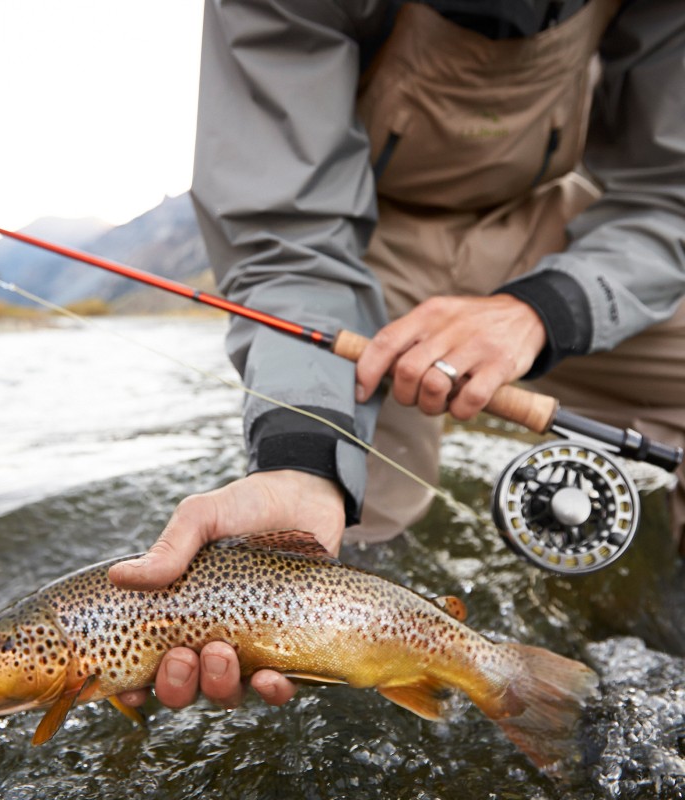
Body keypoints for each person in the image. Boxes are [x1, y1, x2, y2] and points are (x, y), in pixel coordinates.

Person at [110, 0, 685, 711]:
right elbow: (289, 244)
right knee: (349, 534)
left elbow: (671, 194)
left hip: (567, 235)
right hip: (353, 255)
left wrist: (544, 309)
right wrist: (305, 464)